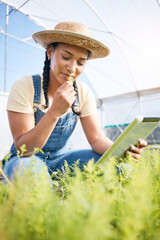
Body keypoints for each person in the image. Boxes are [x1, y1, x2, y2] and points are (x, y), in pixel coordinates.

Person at [2, 21, 147, 180]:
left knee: (119, 167)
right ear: (50, 52)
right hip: (26, 159)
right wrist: (54, 112)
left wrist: (123, 150)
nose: (72, 68)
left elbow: (96, 139)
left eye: (80, 62)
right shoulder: (25, 86)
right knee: (25, 171)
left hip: (63, 160)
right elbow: (24, 150)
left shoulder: (83, 92)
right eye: (66, 57)